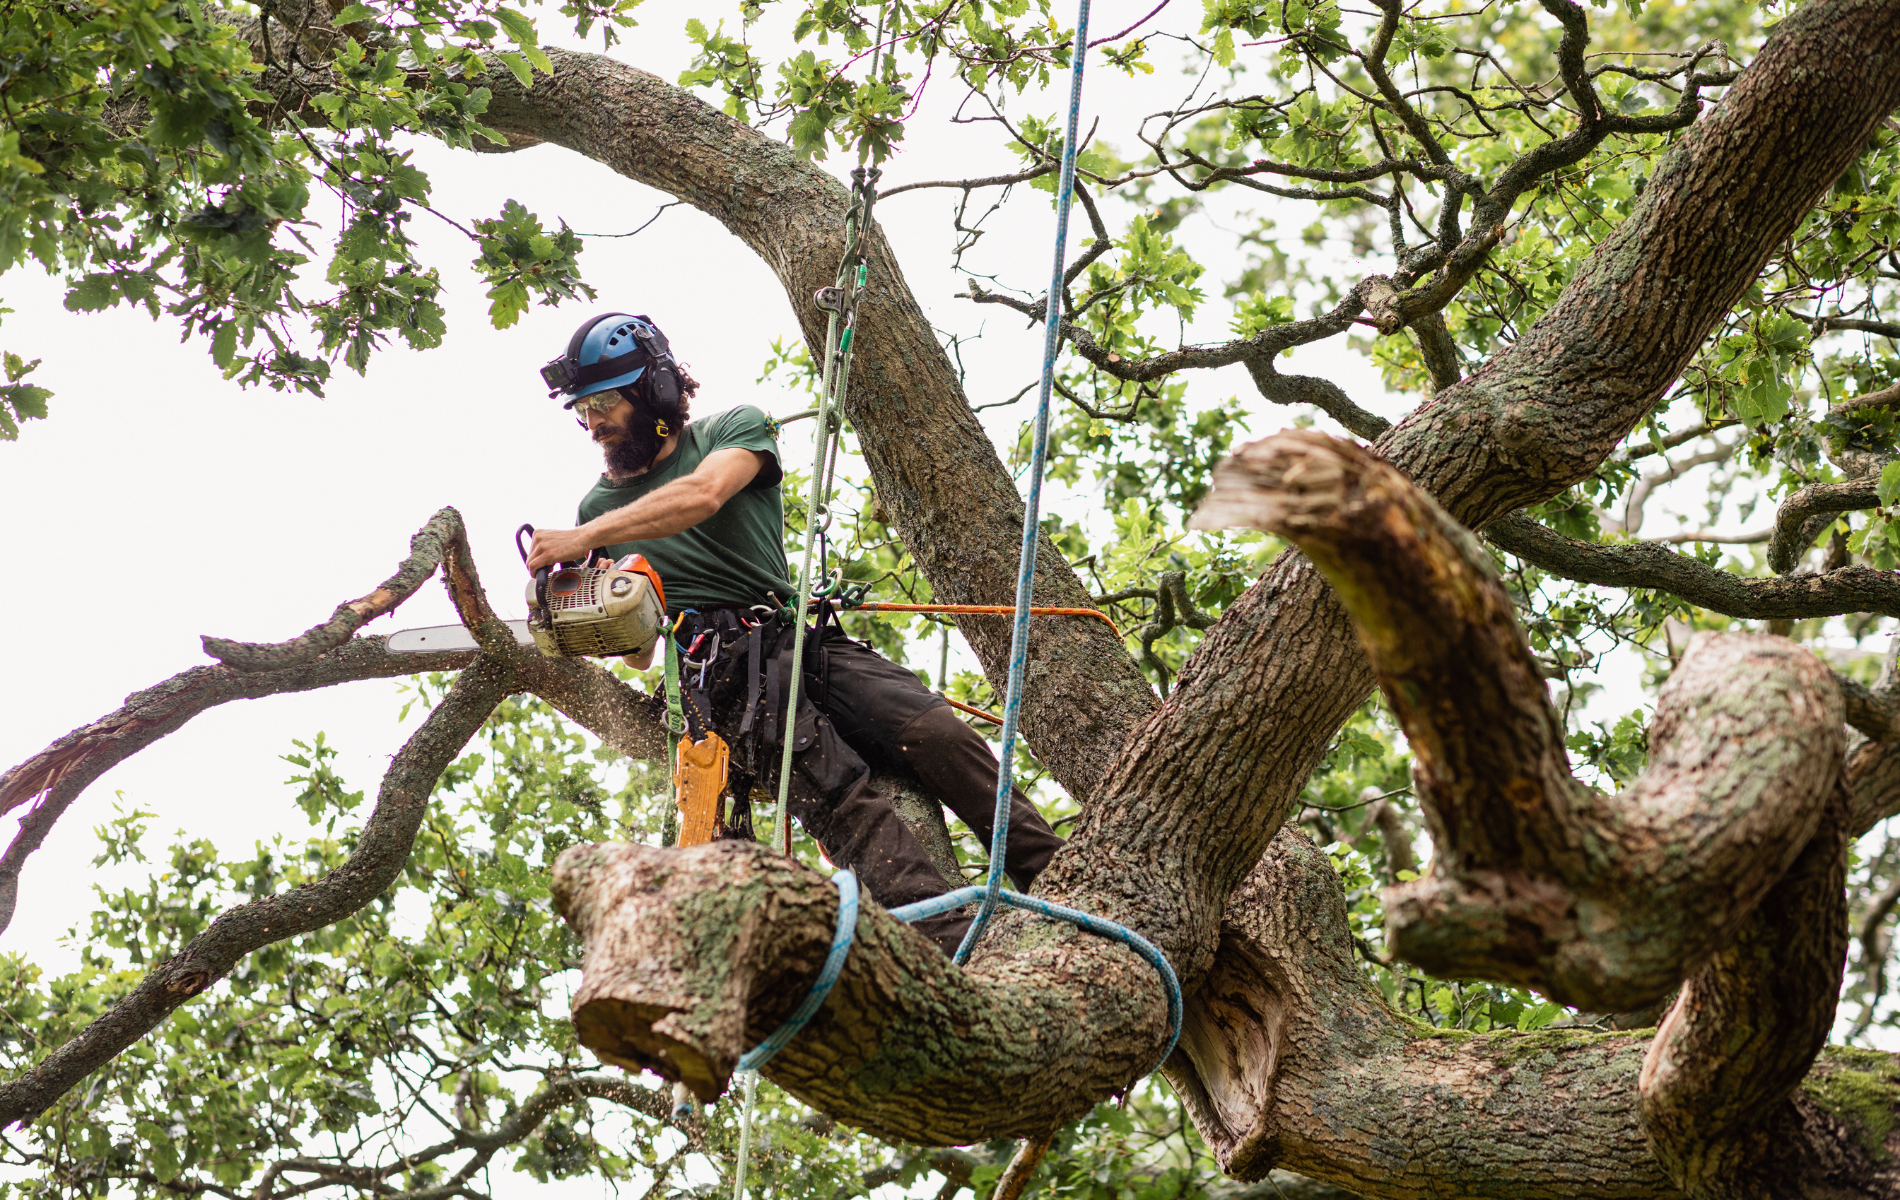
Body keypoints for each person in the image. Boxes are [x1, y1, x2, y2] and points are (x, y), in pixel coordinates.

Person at [524, 312, 1064, 954]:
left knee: (935, 730)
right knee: (839, 792)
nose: (594, 423)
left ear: (658, 392)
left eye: (606, 402)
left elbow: (703, 496)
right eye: (584, 409)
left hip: (794, 637)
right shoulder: (598, 508)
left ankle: (1060, 879)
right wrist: (594, 610)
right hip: (721, 669)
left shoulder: (733, 430)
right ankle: (955, 944)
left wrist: (588, 538)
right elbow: (642, 655)